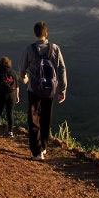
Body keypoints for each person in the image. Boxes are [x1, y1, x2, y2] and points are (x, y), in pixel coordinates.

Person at [19, 21, 67, 160]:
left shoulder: (30, 49)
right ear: (47, 33)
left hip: (34, 89)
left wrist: (25, 79)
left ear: (35, 33)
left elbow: (22, 69)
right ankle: (44, 146)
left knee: (34, 119)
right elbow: (62, 68)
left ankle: (37, 151)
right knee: (46, 117)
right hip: (50, 90)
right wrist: (62, 88)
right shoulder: (55, 48)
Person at [0, 56, 20, 137]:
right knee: (10, 113)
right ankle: (10, 132)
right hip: (11, 95)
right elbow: (17, 86)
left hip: (0, 95)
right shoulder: (13, 72)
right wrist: (17, 96)